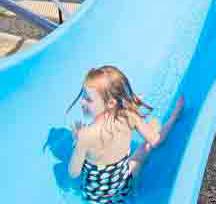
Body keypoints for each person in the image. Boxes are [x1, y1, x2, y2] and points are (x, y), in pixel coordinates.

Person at [68, 66, 184, 202]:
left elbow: (73, 173)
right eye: (83, 95)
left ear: (111, 103)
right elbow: (156, 141)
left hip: (97, 199)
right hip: (123, 188)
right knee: (148, 140)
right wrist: (174, 117)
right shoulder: (129, 116)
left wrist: (76, 141)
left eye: (88, 99)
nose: (82, 102)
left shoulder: (86, 136)